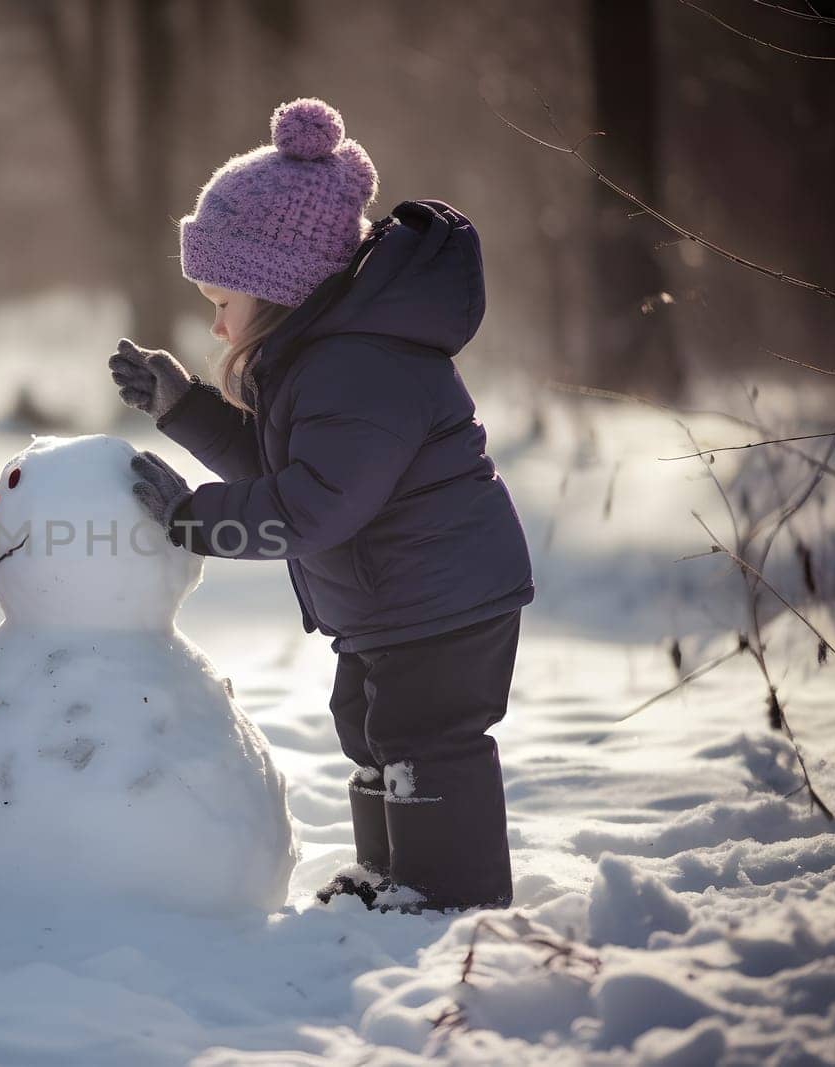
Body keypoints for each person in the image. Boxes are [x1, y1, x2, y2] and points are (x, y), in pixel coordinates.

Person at [110, 98, 534, 911]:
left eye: (220, 295)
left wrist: (192, 517)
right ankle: (395, 878)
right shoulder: (321, 359)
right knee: (370, 730)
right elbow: (283, 463)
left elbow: (314, 507)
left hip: (441, 600)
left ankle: (447, 896)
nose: (214, 317)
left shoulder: (359, 368)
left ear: (275, 285)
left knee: (425, 740)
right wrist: (184, 406)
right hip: (396, 601)